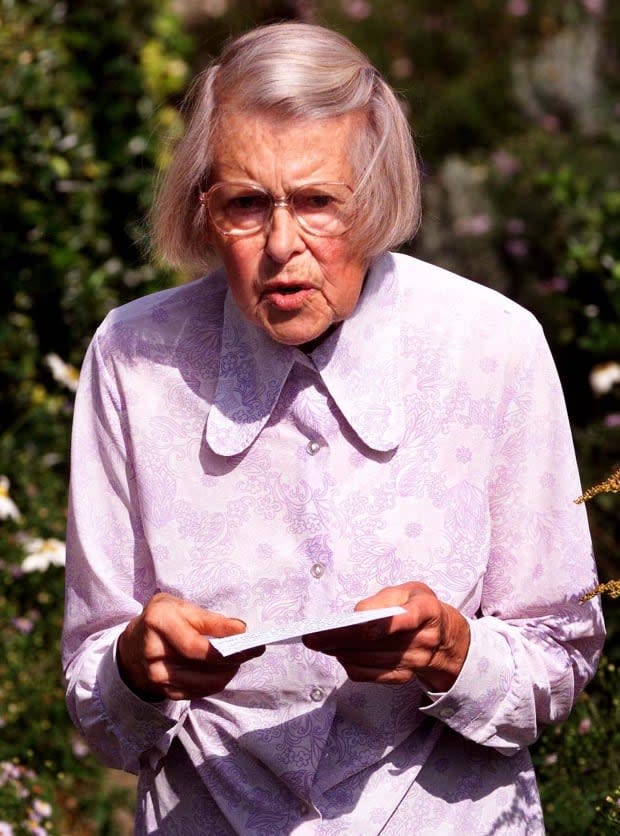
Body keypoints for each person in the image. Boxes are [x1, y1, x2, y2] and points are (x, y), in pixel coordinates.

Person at [62, 21, 604, 835]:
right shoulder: (133, 357)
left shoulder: (492, 347)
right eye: (245, 204)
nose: (284, 246)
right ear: (203, 210)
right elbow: (95, 700)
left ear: (377, 197)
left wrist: (457, 656)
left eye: (318, 203)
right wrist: (135, 672)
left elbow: (561, 656)